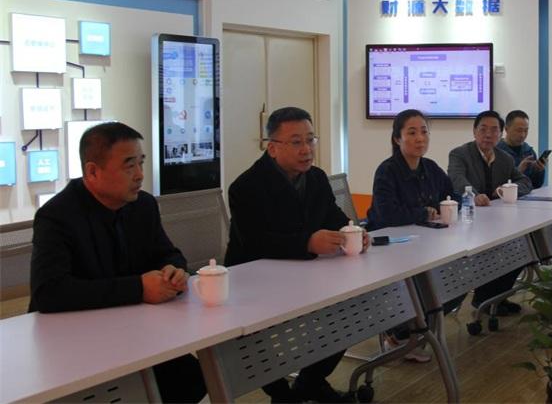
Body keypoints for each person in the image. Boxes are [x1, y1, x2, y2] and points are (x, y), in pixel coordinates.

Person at [29, 122, 207, 403]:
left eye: (141, 163)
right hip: (76, 344)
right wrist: (138, 288)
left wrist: (174, 270)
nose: (140, 174)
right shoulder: (57, 216)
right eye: (129, 166)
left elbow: (167, 253)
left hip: (135, 331)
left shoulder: (143, 205)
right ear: (92, 171)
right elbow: (50, 292)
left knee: (193, 380)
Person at [224, 107, 367, 403]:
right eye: (296, 142)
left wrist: (352, 231)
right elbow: (255, 241)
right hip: (254, 283)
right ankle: (281, 394)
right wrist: (307, 243)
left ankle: (309, 383)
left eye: (310, 140)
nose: (306, 149)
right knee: (256, 340)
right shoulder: (246, 186)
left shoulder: (316, 178)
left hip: (306, 277)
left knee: (352, 310)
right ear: (272, 148)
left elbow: (333, 215)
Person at [366, 109, 464, 362]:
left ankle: (417, 330)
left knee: (458, 278)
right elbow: (387, 215)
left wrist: (448, 205)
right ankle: (401, 335)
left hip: (423, 243)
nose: (420, 138)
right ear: (397, 138)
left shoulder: (430, 167)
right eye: (412, 132)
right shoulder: (387, 171)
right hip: (388, 246)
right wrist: (422, 212)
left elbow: (452, 195)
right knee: (425, 282)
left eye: (424, 132)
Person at [448, 110, 532, 315]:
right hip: (468, 222)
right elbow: (457, 180)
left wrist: (507, 189)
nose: (488, 134)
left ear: (500, 133)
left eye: (494, 130)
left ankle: (495, 298)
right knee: (496, 253)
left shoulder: (505, 159)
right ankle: (485, 299)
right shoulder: (459, 154)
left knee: (523, 248)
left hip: (497, 222)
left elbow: (524, 181)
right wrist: (475, 196)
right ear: (474, 131)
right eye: (483, 129)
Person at [497, 110, 546, 190]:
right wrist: (518, 171)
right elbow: (496, 186)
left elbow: (536, 185)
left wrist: (539, 171)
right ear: (506, 129)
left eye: (526, 130)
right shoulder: (497, 152)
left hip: (528, 195)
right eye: (519, 130)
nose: (523, 135)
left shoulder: (529, 152)